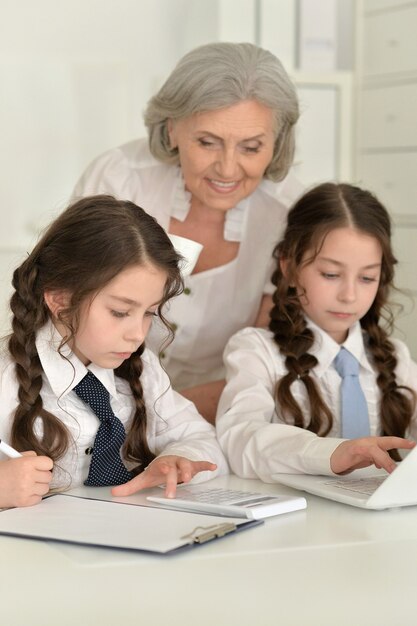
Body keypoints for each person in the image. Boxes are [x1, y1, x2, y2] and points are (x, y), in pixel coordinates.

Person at [72, 42, 302, 423]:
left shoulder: (288, 213)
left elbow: (265, 359)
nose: (228, 169)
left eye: (251, 147)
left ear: (276, 143)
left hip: (221, 411)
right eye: (207, 142)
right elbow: (67, 317)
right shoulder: (117, 179)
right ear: (172, 128)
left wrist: (169, 421)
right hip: (93, 405)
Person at [0, 195, 228, 509]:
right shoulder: (6, 378)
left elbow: (202, 438)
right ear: (60, 300)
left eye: (150, 312)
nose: (137, 335)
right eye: (120, 312)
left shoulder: (140, 367)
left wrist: (179, 460)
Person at [216, 182, 417, 481]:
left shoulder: (394, 358)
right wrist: (331, 454)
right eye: (331, 274)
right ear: (290, 267)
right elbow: (240, 440)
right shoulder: (255, 351)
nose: (349, 295)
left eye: (367, 277)